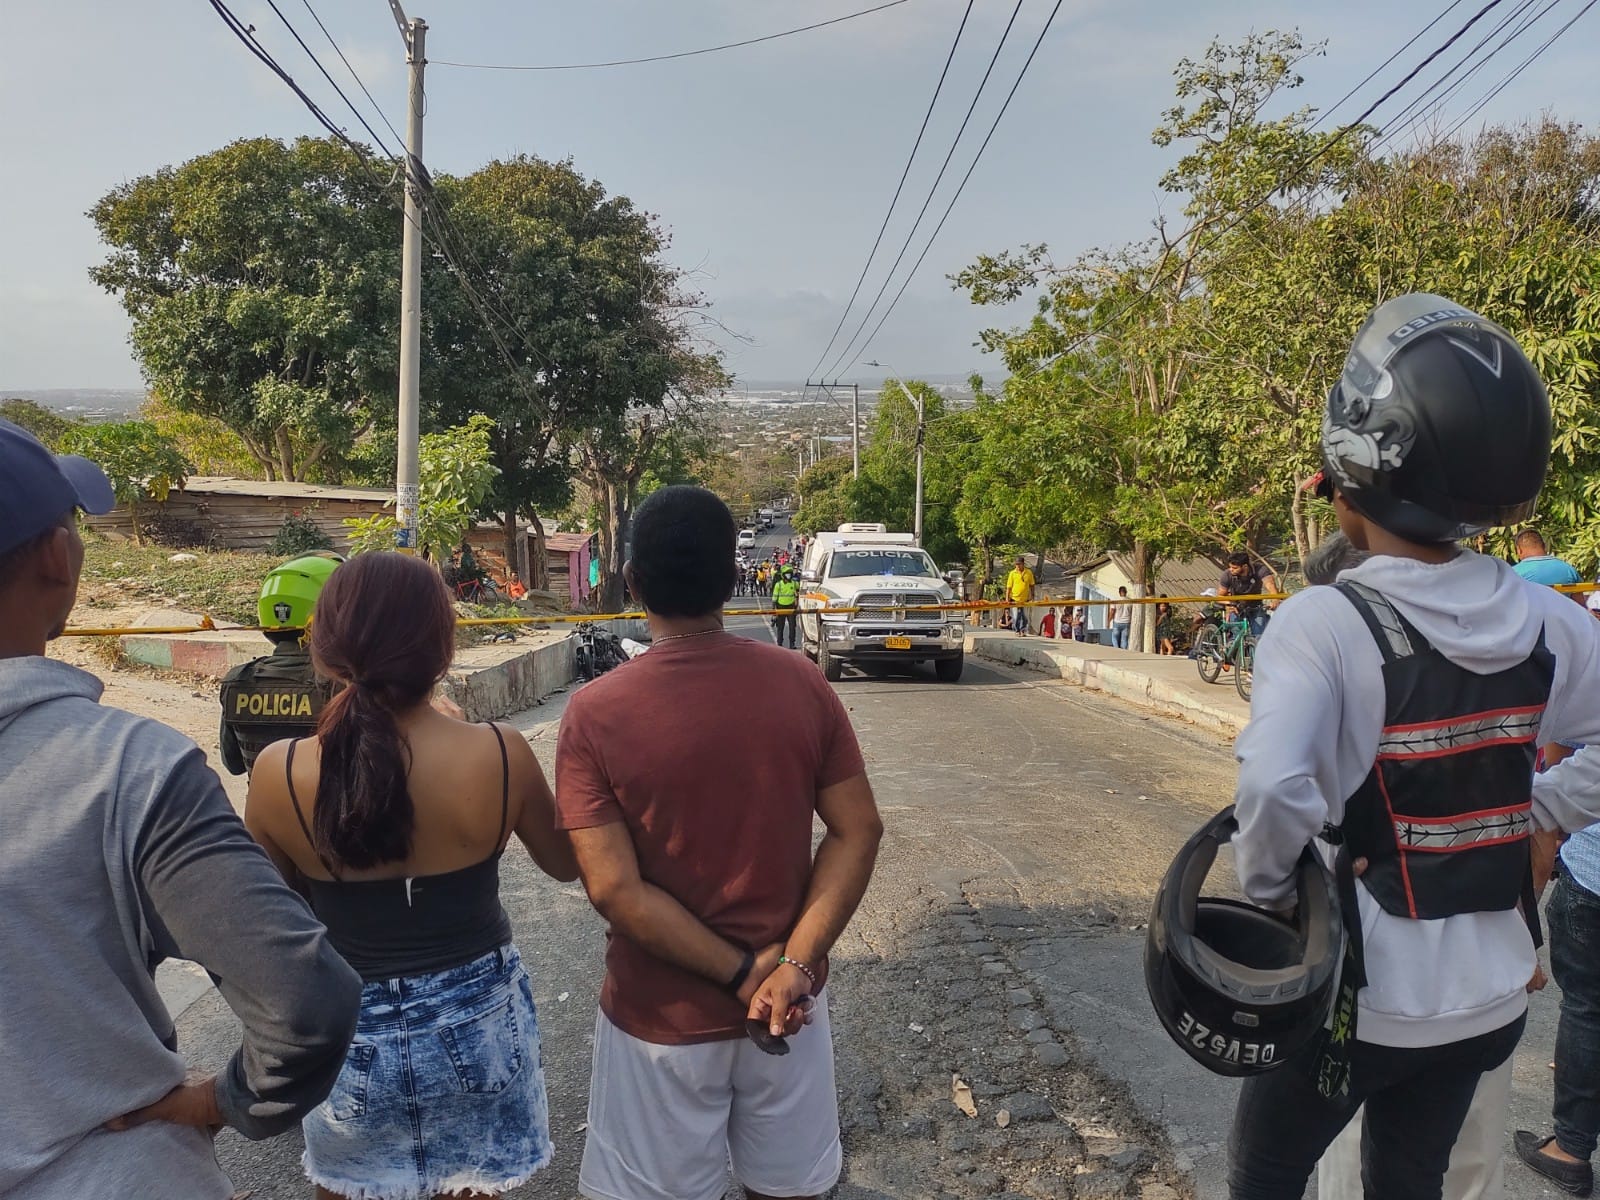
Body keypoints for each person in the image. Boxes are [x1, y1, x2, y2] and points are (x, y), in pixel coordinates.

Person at [1225, 294, 1600, 1199]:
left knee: (1266, 1169)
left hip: (1361, 1001)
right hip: (1491, 1001)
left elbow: (1275, 789)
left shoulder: (1324, 622)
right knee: (1410, 1180)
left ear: (1354, 473)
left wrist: (1273, 894)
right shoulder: (1548, 617)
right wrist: (1537, 812)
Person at [0, 417, 362, 1200]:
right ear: (59, 559)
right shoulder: (127, 767)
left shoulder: (240, 693)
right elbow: (309, 1000)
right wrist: (225, 1100)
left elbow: (242, 763)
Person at [554, 485, 883, 1200]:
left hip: (661, 1025)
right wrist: (790, 966)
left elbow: (614, 889)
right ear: (734, 580)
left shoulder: (594, 714)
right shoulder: (802, 683)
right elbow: (858, 830)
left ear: (633, 582)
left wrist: (741, 974)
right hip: (788, 1012)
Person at [243, 552, 578, 1200]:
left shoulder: (278, 771)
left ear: (326, 650)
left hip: (348, 1033)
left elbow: (271, 916)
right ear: (443, 646)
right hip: (478, 1027)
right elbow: (566, 865)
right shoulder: (498, 754)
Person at [219, 554, 340, 776]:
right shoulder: (341, 686)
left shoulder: (237, 680)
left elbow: (233, 765)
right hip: (327, 810)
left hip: (262, 809)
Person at [1218, 550, 1279, 636]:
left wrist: (1275, 598)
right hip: (1236, 607)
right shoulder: (1227, 575)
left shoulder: (1260, 570)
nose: (1231, 570)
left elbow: (1270, 584)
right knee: (1237, 635)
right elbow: (1220, 596)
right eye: (1230, 567)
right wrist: (1229, 605)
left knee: (1259, 635)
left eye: (1235, 568)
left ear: (1245, 566)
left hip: (1255, 606)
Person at [1513, 527, 1582, 589]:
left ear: (1519, 550)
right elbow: (1579, 602)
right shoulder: (1568, 570)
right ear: (1544, 546)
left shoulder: (1513, 574)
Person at [771, 563, 800, 649]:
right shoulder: (778, 585)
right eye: (787, 574)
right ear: (783, 575)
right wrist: (774, 611)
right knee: (780, 627)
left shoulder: (794, 584)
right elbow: (774, 598)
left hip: (791, 608)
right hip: (780, 607)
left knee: (792, 627)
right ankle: (779, 643)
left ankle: (792, 643)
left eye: (790, 574)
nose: (789, 575)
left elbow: (800, 590)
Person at [1005, 556, 1036, 635]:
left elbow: (1032, 585)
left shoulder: (1028, 573)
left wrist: (1032, 596)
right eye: (1016, 564)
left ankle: (1023, 630)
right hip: (1014, 599)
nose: (1017, 566)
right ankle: (1017, 630)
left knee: (1024, 617)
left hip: (1025, 599)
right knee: (1016, 616)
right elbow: (1008, 587)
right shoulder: (1012, 573)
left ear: (1023, 564)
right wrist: (1007, 599)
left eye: (1019, 564)